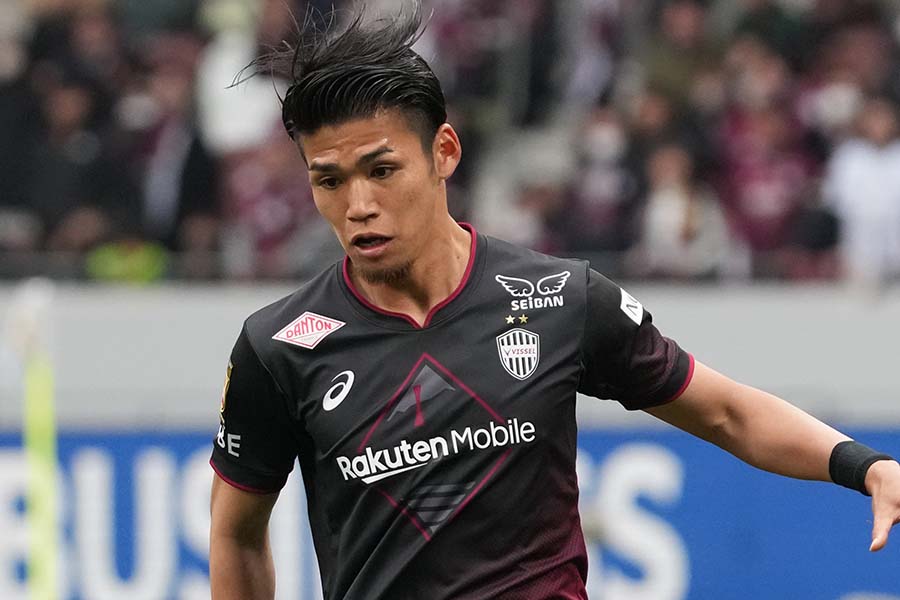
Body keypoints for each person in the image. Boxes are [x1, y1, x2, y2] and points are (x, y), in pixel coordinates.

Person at [208, 4, 900, 599]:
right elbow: (236, 535)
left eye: (382, 170)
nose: (358, 205)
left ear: (443, 151)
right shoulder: (280, 347)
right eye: (329, 181)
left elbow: (727, 413)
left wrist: (865, 465)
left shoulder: (559, 299)